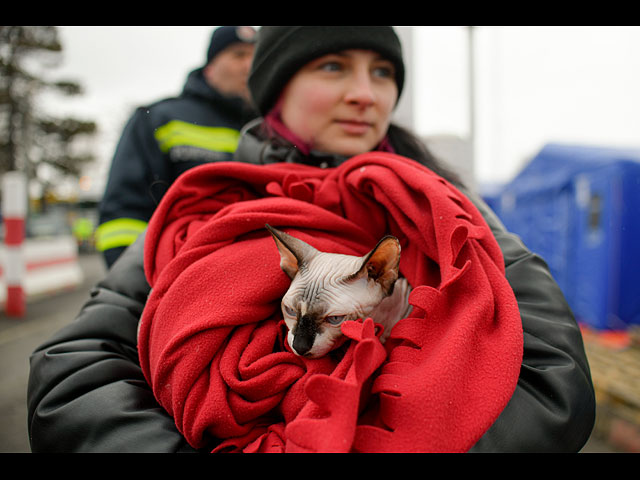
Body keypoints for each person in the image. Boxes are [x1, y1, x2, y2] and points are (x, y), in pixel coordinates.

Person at [27, 26, 595, 452]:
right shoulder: (212, 207)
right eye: (331, 66)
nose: (365, 94)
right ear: (276, 86)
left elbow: (555, 382)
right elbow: (73, 376)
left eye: (382, 72)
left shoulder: (448, 207)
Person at [96, 26, 258, 268]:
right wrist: (134, 284)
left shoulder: (275, 126)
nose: (249, 65)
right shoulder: (159, 119)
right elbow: (124, 213)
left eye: (255, 56)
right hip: (174, 279)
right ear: (210, 69)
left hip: (252, 276)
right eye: (238, 55)